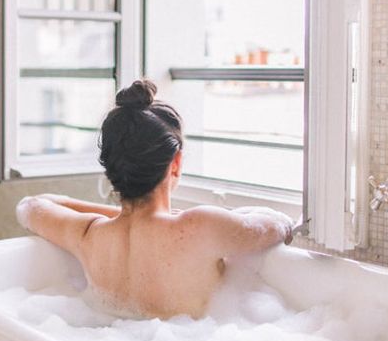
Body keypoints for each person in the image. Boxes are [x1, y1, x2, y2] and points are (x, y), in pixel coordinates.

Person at [16, 79, 295, 320]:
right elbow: (277, 225)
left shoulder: (88, 235)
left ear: (110, 168)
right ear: (175, 163)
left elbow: (33, 205)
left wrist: (123, 216)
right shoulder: (202, 227)